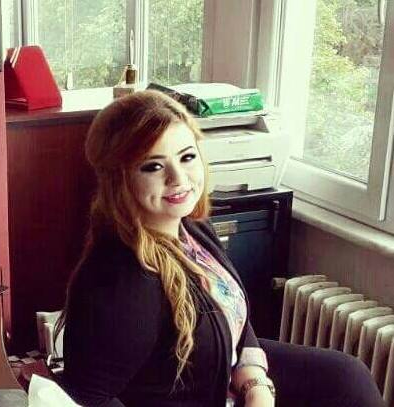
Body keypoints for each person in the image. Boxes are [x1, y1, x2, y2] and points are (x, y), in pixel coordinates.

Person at [55, 90, 385, 407]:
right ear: (119, 178)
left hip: (223, 378)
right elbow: (87, 397)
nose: (178, 178)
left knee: (346, 379)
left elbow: (232, 314)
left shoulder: (192, 228)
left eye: (187, 157)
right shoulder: (120, 282)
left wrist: (256, 383)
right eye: (153, 166)